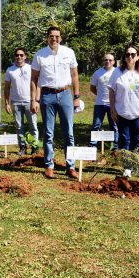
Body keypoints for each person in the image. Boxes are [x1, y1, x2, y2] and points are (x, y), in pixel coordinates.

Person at [30, 26, 81, 179]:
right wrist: (34, 100)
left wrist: (76, 97)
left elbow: (75, 76)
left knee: (69, 132)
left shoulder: (69, 53)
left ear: (61, 38)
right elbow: (34, 79)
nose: (54, 39)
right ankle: (49, 165)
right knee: (48, 132)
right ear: (47, 38)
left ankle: (70, 166)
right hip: (47, 96)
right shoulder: (40, 55)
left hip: (65, 94)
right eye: (51, 36)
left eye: (57, 36)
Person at [109, 44, 139, 177]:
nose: (130, 57)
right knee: (124, 140)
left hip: (137, 114)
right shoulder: (117, 72)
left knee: (137, 141)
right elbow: (111, 91)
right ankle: (127, 167)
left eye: (133, 55)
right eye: (127, 54)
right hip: (121, 113)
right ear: (124, 57)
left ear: (138, 57)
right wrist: (112, 109)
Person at [4, 48, 38, 155]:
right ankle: (22, 147)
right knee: (19, 126)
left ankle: (34, 147)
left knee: (33, 125)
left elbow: (36, 85)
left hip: (29, 101)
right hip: (15, 102)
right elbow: (7, 87)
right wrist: (7, 103)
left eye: (21, 55)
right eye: (17, 55)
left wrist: (35, 101)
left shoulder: (31, 68)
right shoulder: (10, 70)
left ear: (25, 56)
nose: (19, 57)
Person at [89, 53, 119, 150]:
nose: (108, 62)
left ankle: (115, 146)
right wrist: (100, 95)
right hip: (100, 104)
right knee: (96, 125)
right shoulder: (97, 73)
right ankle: (92, 145)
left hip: (114, 105)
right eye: (106, 60)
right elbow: (92, 87)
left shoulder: (118, 72)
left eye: (110, 60)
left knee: (114, 126)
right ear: (103, 61)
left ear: (114, 62)